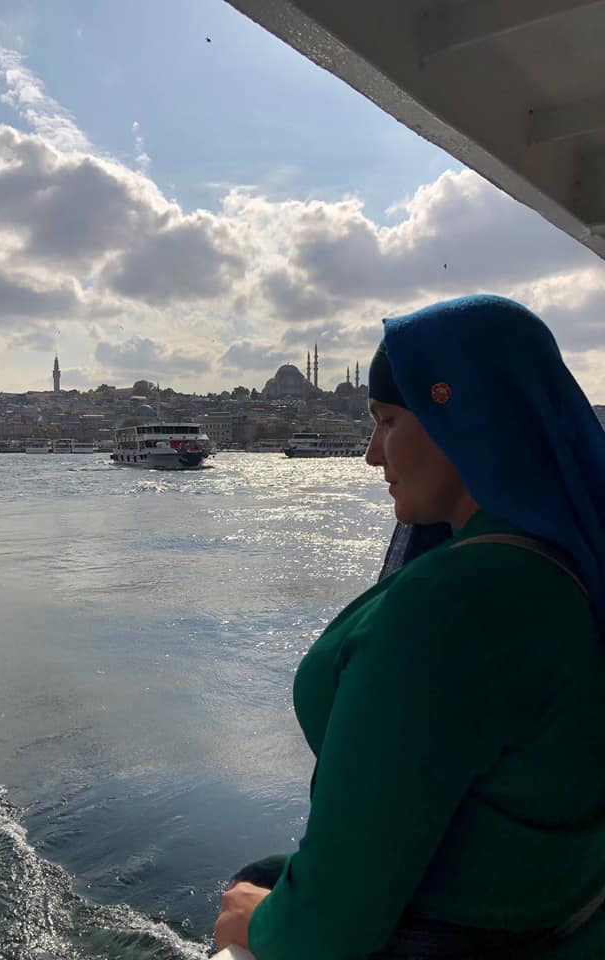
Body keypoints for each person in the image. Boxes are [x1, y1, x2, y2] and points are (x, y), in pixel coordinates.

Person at [214, 294, 605, 959]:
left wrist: (254, 923)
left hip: (467, 937)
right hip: (549, 908)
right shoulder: (557, 565)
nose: (372, 455)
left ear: (463, 419)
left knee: (249, 887)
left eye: (389, 421)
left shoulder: (453, 606)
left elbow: (327, 933)